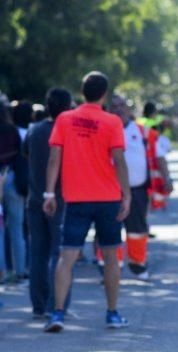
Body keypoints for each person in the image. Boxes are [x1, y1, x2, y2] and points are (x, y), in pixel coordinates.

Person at [43, 71, 131, 332]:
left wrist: (49, 193)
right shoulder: (112, 122)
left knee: (66, 256)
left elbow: (54, 159)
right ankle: (112, 313)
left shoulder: (65, 119)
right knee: (111, 257)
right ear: (104, 94)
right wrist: (126, 195)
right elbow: (119, 160)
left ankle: (57, 313)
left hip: (76, 198)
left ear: (82, 92)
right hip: (107, 198)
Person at [22, 87, 73, 318]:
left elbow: (25, 155)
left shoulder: (34, 130)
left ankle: (38, 304)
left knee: (37, 253)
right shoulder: (68, 131)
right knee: (59, 253)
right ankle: (58, 304)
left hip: (34, 198)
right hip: (61, 198)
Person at [110, 95, 162, 281]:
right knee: (108, 230)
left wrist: (166, 177)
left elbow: (159, 154)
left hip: (137, 190)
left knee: (137, 229)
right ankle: (110, 268)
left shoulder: (142, 132)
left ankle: (138, 264)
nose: (118, 109)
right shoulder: (103, 129)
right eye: (114, 106)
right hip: (110, 191)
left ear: (128, 108)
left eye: (121, 105)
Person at [1, 102, 26, 284]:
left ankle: (1, 271)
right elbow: (21, 154)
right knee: (17, 227)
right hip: (12, 177)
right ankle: (20, 271)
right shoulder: (12, 130)